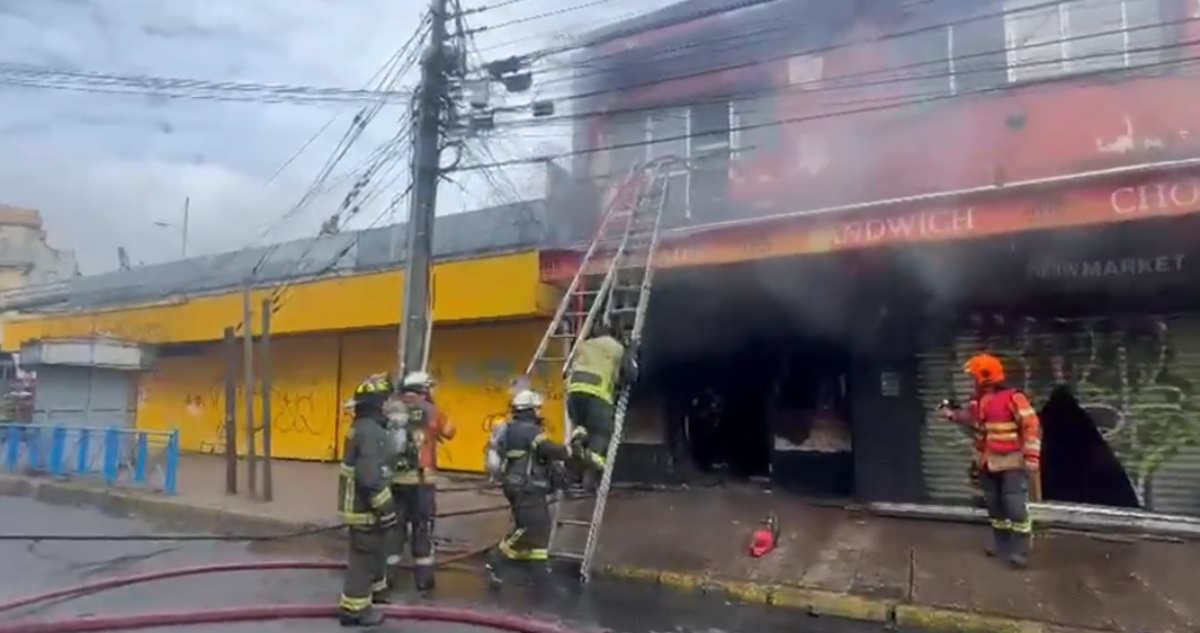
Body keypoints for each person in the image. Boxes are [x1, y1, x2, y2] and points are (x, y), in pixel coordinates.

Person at [486, 389, 603, 586]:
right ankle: (496, 559)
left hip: (521, 485)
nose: (540, 412)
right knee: (528, 528)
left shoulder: (512, 428)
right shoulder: (530, 431)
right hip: (526, 486)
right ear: (530, 410)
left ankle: (537, 569)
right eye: (537, 409)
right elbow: (549, 450)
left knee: (541, 528)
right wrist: (573, 448)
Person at [942, 353, 1042, 568]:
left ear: (985, 376)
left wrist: (1032, 456)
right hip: (987, 462)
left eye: (975, 376)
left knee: (1014, 506)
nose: (973, 381)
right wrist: (952, 415)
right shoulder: (978, 400)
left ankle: (1020, 550)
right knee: (995, 506)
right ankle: (1002, 544)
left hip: (1012, 462)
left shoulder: (1014, 398)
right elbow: (971, 419)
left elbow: (1030, 425)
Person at [336, 373, 399, 627]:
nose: (389, 405)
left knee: (375, 551)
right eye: (386, 400)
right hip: (365, 508)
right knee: (363, 559)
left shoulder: (362, 428)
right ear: (377, 404)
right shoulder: (372, 433)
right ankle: (354, 611)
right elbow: (370, 478)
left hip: (359, 506)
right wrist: (387, 508)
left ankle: (375, 593)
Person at [385, 370, 455, 593]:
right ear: (424, 390)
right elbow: (450, 432)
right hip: (421, 481)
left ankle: (388, 576)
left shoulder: (390, 409)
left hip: (394, 480)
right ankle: (423, 580)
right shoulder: (432, 411)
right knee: (422, 528)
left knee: (394, 528)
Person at [565, 322, 638, 485]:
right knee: (602, 431)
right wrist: (631, 351)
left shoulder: (585, 345)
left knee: (582, 425)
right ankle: (593, 459)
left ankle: (577, 444)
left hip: (574, 394)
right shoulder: (616, 348)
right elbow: (630, 375)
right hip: (597, 395)